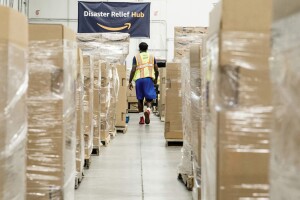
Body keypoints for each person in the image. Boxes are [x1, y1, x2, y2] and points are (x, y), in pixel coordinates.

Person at [128, 42, 159, 125]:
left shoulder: (136, 57)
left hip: (139, 80)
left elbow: (133, 69)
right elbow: (156, 69)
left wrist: (130, 81)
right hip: (148, 79)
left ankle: (141, 118)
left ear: (139, 48)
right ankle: (148, 110)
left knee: (140, 99)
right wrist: (156, 78)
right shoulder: (152, 57)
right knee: (149, 98)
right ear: (147, 48)